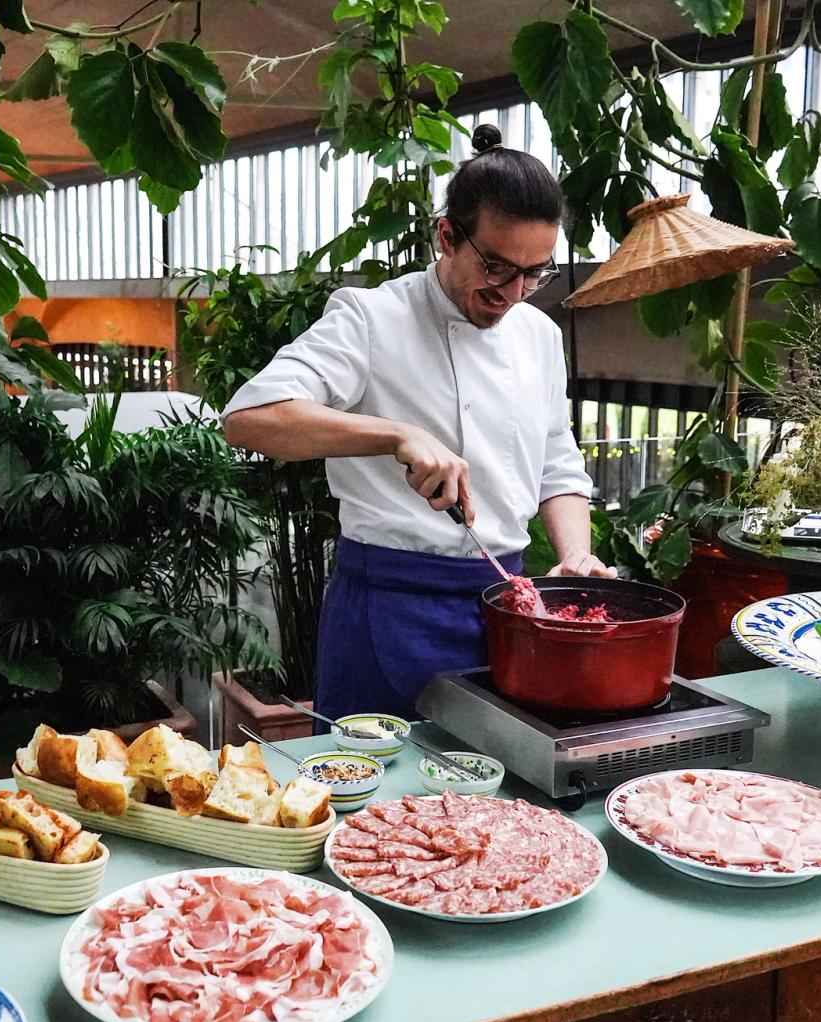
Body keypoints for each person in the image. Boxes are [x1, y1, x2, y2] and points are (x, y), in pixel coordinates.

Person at [222, 123, 613, 723]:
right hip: (386, 604)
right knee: (373, 799)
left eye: (535, 274)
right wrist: (395, 433)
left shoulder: (537, 334)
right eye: (496, 267)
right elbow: (250, 418)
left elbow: (556, 460)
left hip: (506, 606)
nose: (512, 293)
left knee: (493, 804)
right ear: (448, 237)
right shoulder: (372, 317)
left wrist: (576, 556)